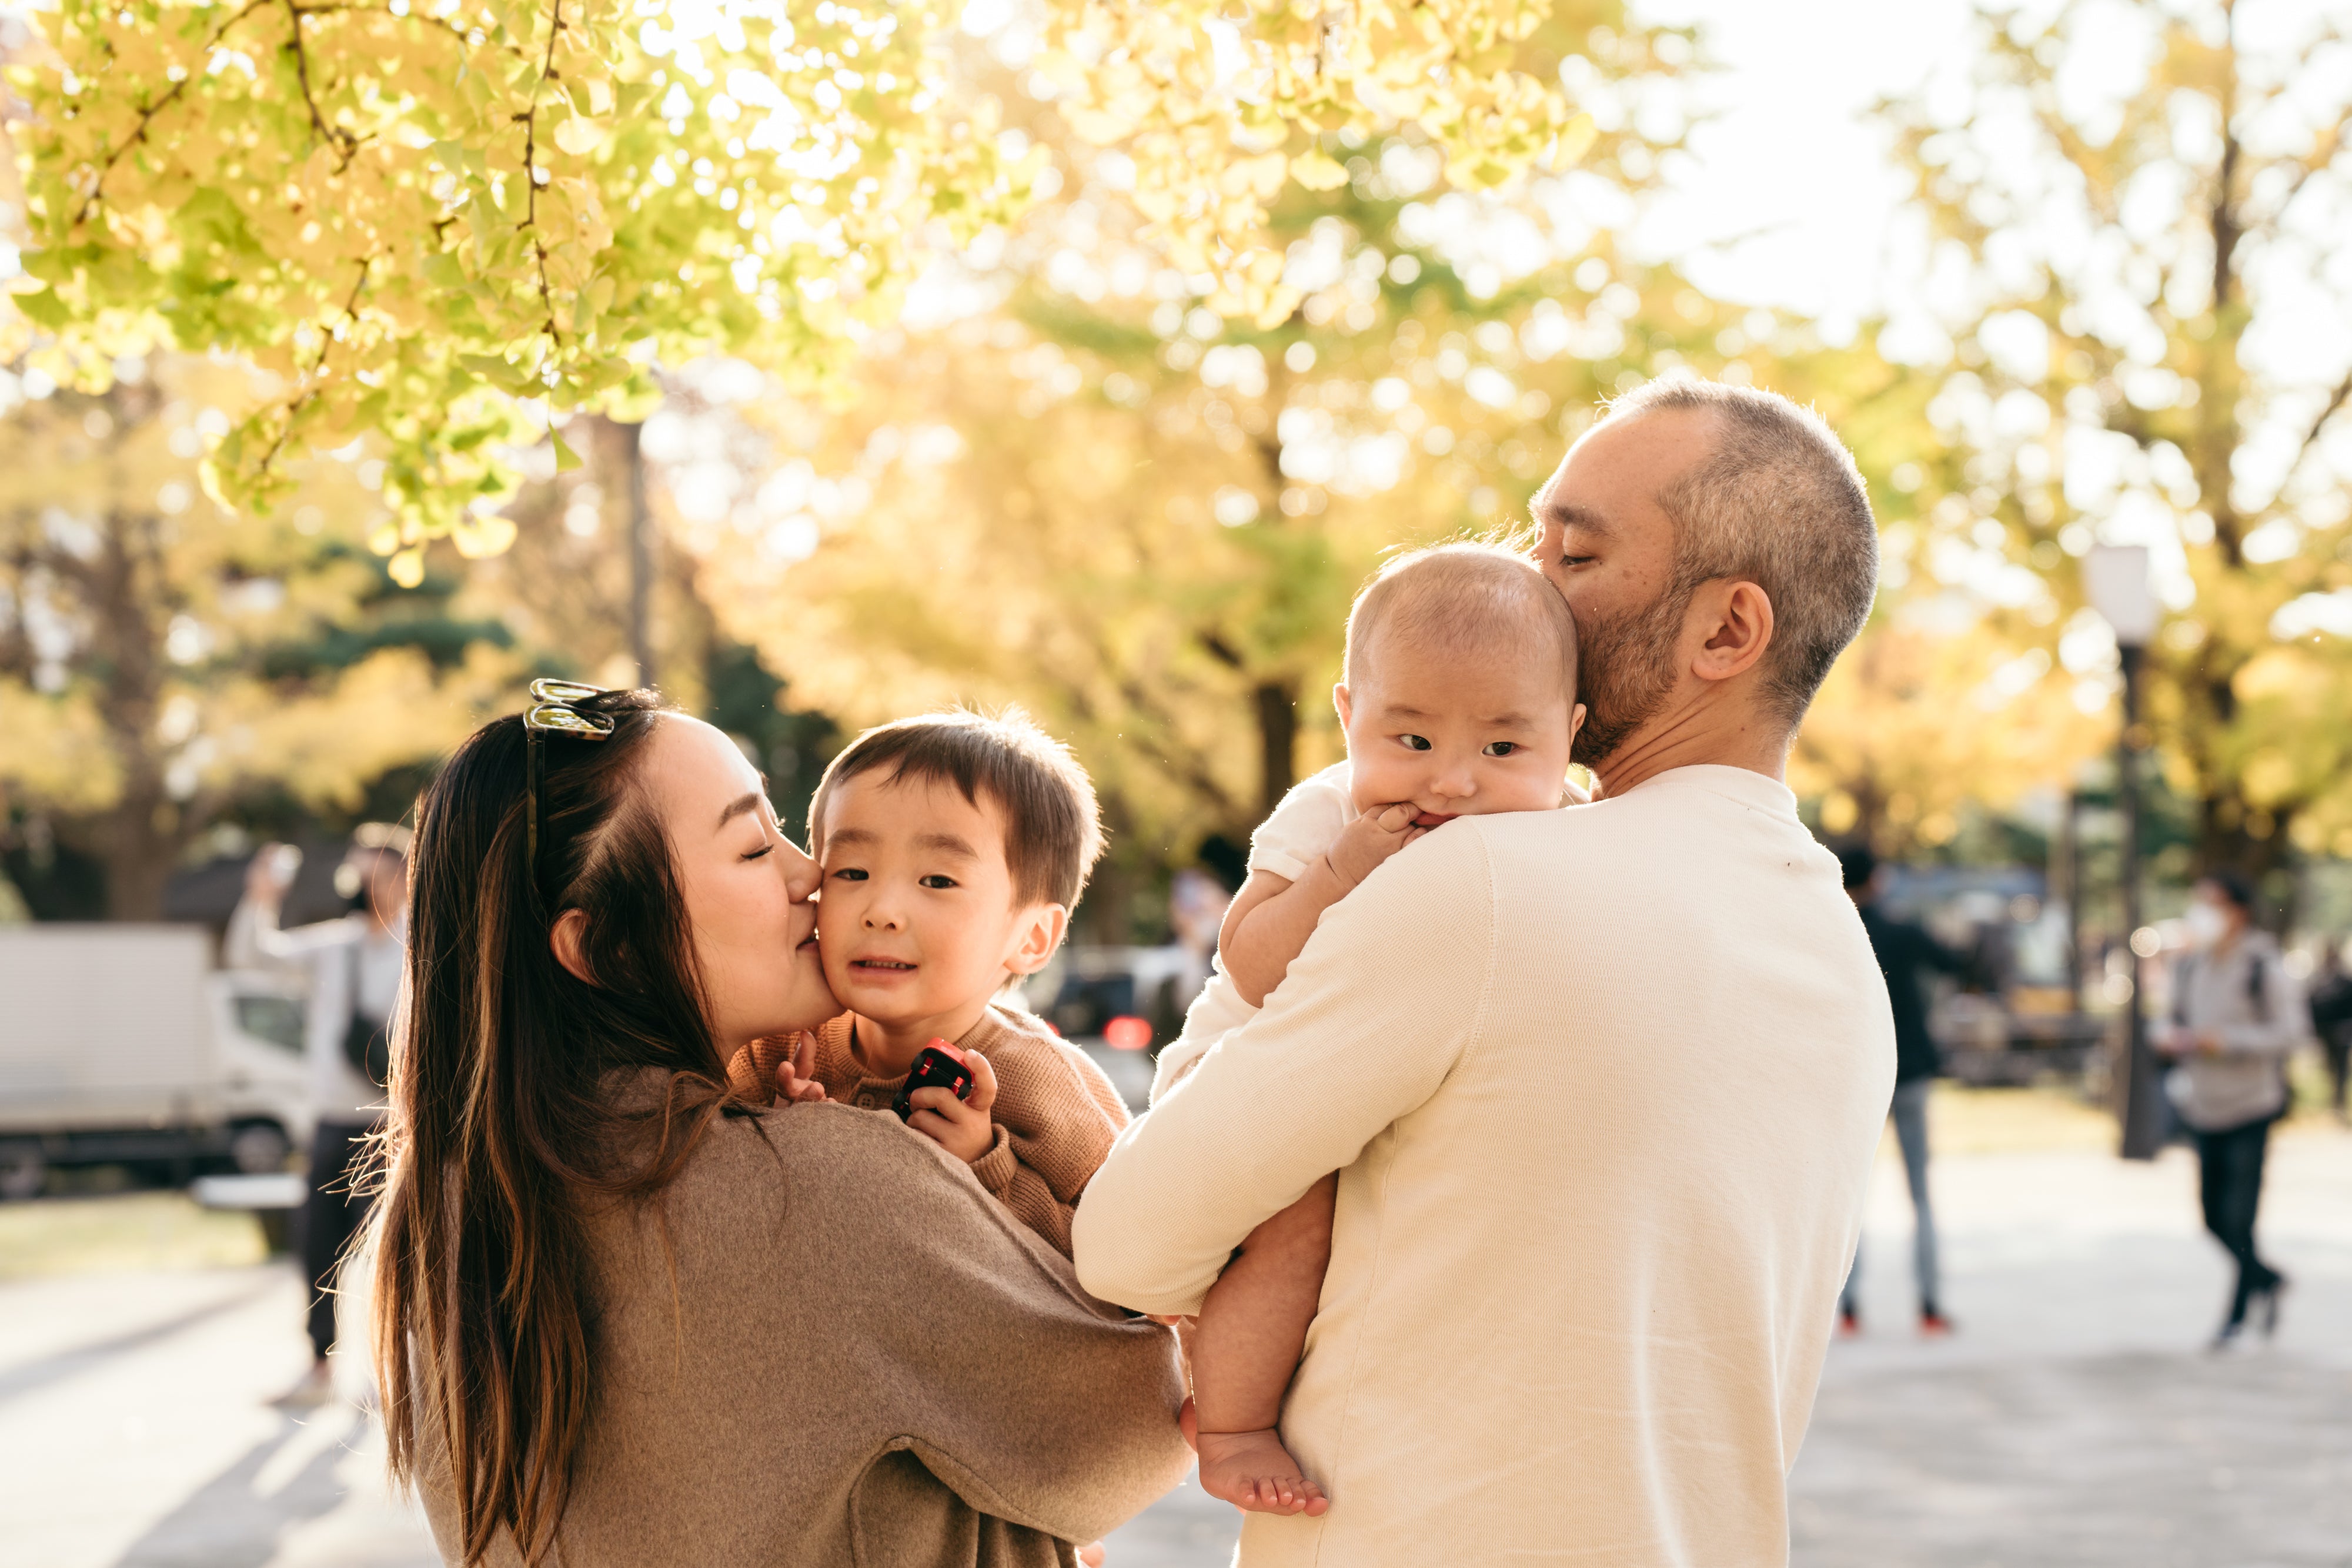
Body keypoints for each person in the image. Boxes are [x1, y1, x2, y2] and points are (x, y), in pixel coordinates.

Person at [1073, 377, 1895, 1566]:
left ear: (1726, 630)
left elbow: (1131, 1242)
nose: (1524, 586)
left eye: (1575, 553)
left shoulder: (1487, 885)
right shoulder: (1840, 963)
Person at [372, 684, 1190, 1567]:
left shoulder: (448, 1207)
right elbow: (1133, 1442)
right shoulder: (823, 1185)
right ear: (605, 942)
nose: (813, 877)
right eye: (756, 845)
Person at [1148, 543, 1584, 1515]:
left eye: (1504, 748)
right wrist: (1339, 874)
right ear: (1350, 717)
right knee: (1298, 1229)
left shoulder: (1564, 830)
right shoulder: (1330, 809)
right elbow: (1253, 957)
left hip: (1362, 1087)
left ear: (1571, 737)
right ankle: (1228, 1425)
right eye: (1413, 740)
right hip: (1237, 1071)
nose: (1454, 782)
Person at [724, 709, 1130, 1258]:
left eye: (938, 880)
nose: (883, 911)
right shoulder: (780, 1045)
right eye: (852, 872)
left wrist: (986, 1165)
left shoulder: (1042, 1084)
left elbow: (1133, 1270)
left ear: (1033, 936)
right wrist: (774, 1132)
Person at [229, 823, 409, 1408]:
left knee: (393, 1257)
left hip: (394, 1125)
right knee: (317, 1248)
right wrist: (262, 897)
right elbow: (256, 955)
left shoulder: (423, 945)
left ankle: (393, 1372)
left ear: (404, 877)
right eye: (355, 874)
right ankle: (320, 1364)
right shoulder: (334, 945)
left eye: (375, 873)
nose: (361, 885)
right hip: (332, 1120)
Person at [2155, 869, 2306, 1348]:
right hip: (2203, 1104)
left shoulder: (2263, 964)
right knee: (2213, 1219)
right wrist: (2168, 1038)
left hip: (2252, 1103)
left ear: (2238, 911)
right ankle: (2266, 1279)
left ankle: (2236, 1314)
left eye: (2214, 903)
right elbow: (2165, 1020)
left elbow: (2292, 1032)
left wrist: (2230, 1042)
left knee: (2241, 1218)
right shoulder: (2189, 964)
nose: (2203, 913)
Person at [1832, 843, 1971, 1337]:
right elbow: (1957, 963)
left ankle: (1847, 1307)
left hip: (1853, 1075)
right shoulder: (1903, 930)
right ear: (1881, 878)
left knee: (1850, 1194)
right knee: (1921, 1194)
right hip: (1910, 1071)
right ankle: (1930, 1303)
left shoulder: (1830, 932)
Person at [2308, 935, 2352, 1121]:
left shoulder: (2344, 981)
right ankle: (2335, 1103)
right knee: (2331, 1069)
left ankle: (2339, 1104)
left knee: (2341, 1070)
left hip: (2341, 1032)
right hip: (2326, 1033)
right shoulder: (2319, 982)